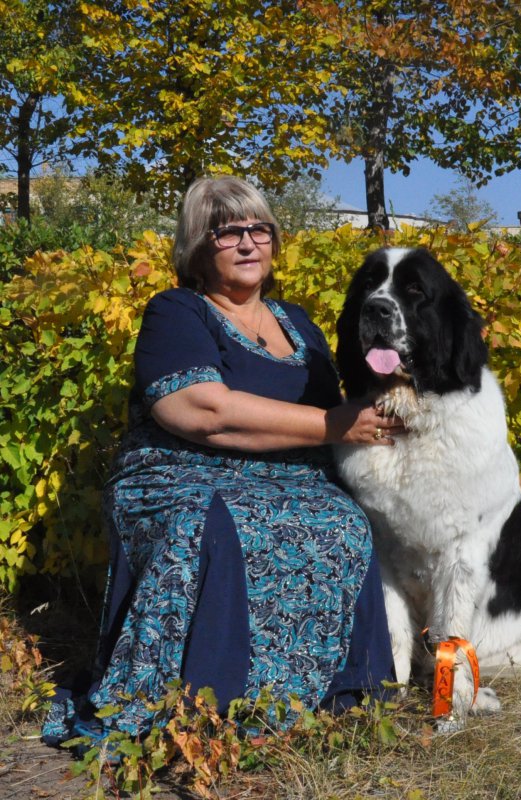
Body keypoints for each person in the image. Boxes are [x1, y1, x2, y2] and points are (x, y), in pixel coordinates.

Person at [42, 175, 403, 748]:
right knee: (211, 528)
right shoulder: (178, 311)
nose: (246, 243)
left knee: (343, 523)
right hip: (177, 471)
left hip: (291, 475)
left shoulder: (300, 323)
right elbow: (200, 410)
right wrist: (335, 426)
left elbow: (347, 398)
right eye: (226, 232)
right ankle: (201, 710)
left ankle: (337, 698)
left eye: (259, 229)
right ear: (196, 247)